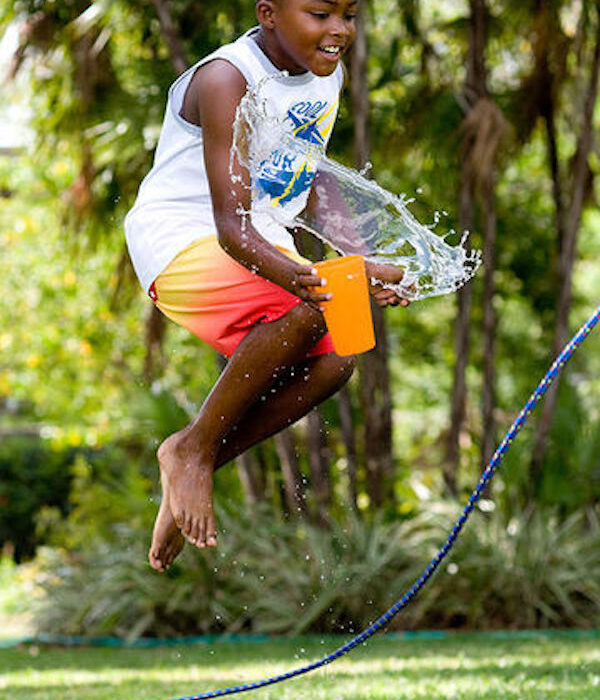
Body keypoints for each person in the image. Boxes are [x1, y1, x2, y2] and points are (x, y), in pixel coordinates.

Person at [125, 0, 406, 572]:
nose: (339, 31)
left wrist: (359, 257)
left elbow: (313, 178)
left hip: (266, 244)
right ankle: (194, 451)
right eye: (320, 13)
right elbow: (233, 228)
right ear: (270, 14)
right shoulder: (227, 78)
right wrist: (335, 277)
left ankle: (190, 453)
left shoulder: (325, 74)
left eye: (348, 15)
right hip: (183, 240)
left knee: (337, 361)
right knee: (319, 305)